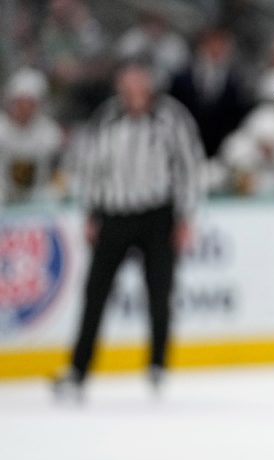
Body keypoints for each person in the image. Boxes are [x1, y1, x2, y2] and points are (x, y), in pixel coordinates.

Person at [53, 60, 205, 401]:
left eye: (139, 83)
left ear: (150, 85)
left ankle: (157, 365)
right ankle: (78, 369)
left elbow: (190, 166)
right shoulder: (106, 117)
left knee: (159, 293)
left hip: (157, 216)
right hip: (113, 215)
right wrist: (91, 212)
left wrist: (185, 217)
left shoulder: (171, 117)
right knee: (95, 294)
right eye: (128, 84)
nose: (134, 90)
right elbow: (91, 167)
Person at [0, 68, 64, 206]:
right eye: (19, 102)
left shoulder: (50, 132)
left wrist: (55, 190)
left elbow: (58, 171)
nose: (23, 108)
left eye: (29, 103)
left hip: (39, 199)